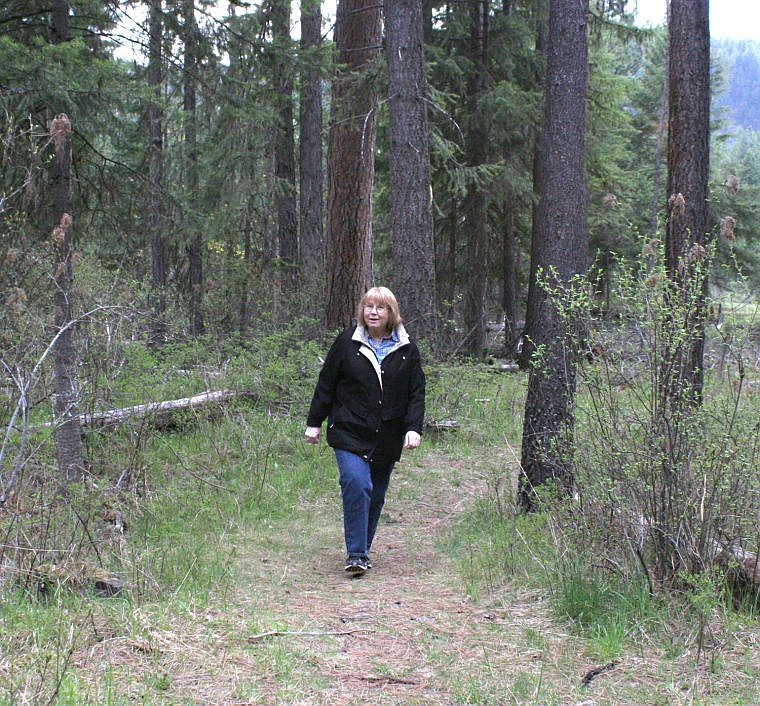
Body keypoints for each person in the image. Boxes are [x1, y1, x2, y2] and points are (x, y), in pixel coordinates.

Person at [305, 286, 426, 577]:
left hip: (387, 433)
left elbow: (416, 393)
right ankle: (357, 554)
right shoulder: (348, 342)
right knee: (357, 484)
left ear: (390, 313)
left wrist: (413, 428)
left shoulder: (406, 349)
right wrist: (314, 422)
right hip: (348, 429)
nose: (373, 312)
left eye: (380, 308)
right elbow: (327, 383)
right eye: (369, 307)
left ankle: (363, 551)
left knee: (375, 494)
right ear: (362, 311)